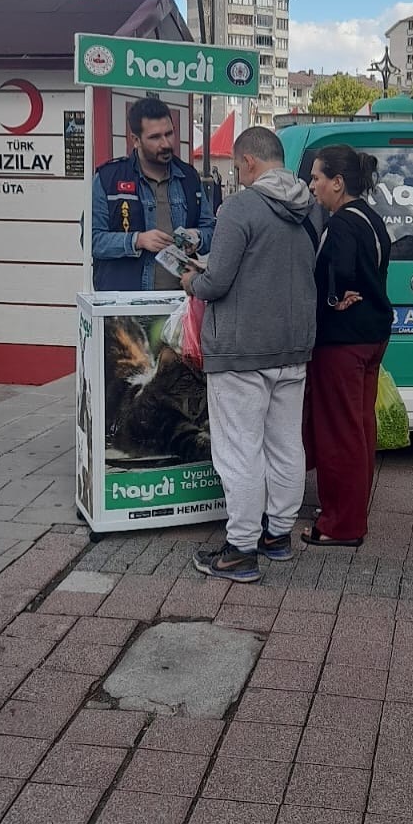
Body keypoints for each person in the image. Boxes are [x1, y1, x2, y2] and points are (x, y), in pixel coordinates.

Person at [182, 126, 318, 582]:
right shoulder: (309, 208)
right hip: (293, 346)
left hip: (241, 350)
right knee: (285, 445)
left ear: (250, 162)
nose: (238, 173)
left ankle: (240, 549)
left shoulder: (240, 206)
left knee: (240, 450)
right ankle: (277, 536)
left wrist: (192, 281)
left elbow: (217, 281)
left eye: (238, 165)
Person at [301, 144, 392, 548]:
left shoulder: (340, 225)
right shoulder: (371, 218)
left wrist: (334, 299)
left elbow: (334, 274)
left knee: (338, 433)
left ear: (338, 183)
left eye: (318, 178)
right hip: (373, 336)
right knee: (359, 428)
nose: (312, 185)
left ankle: (341, 524)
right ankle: (350, 511)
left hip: (342, 341)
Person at [91, 97, 216, 291]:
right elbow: (93, 241)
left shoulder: (189, 177)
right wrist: (138, 240)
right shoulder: (108, 178)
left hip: (179, 302)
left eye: (169, 133)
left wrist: (197, 237)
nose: (166, 143)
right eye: (155, 137)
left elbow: (212, 230)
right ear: (135, 140)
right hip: (126, 307)